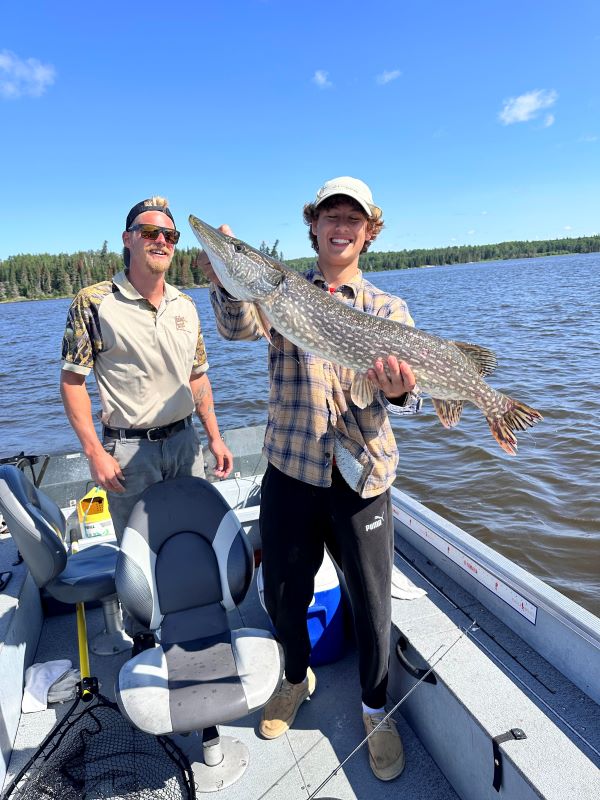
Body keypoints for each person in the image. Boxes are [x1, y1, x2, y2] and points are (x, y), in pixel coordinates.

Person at [199, 177, 420, 782]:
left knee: (373, 606)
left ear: (368, 231)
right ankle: (296, 677)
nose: (341, 226)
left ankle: (375, 710)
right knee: (283, 594)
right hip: (291, 470)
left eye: (353, 218)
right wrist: (224, 271)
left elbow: (411, 396)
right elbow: (234, 324)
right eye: (330, 216)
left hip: (363, 477)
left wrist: (402, 389)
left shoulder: (386, 309)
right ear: (315, 227)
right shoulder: (281, 292)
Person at [60, 196, 233, 648]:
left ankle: (196, 626)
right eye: (150, 232)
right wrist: (95, 453)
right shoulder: (94, 302)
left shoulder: (186, 305)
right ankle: (143, 639)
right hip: (129, 452)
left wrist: (215, 438)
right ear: (128, 239)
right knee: (138, 552)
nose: (161, 241)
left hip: (184, 443)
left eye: (169, 236)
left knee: (191, 539)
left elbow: (198, 379)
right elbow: (72, 383)